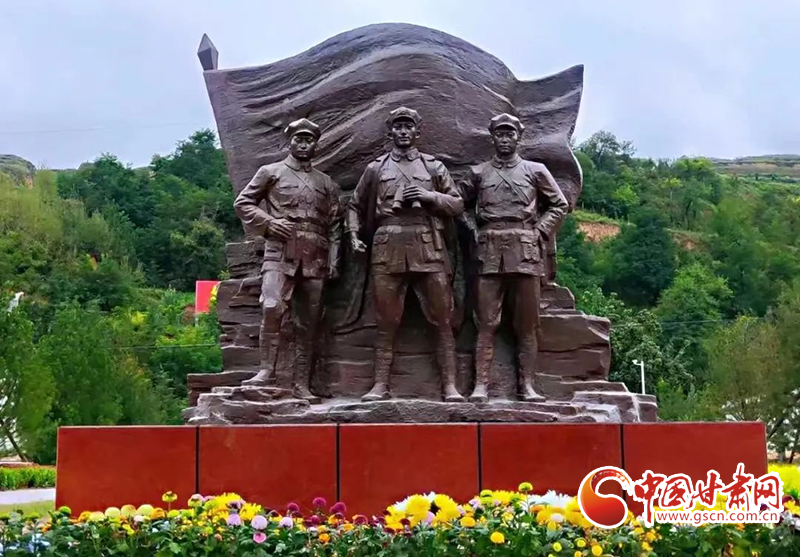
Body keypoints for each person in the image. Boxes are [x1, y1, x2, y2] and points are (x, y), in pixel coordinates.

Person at [347, 107, 465, 402]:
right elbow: (354, 205)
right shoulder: (376, 169)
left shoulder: (433, 167)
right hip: (387, 246)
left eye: (408, 126)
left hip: (428, 245)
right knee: (385, 322)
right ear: (390, 132)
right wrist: (353, 235)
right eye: (398, 126)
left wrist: (429, 196)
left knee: (442, 319)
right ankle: (380, 386)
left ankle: (450, 386)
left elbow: (457, 204)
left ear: (417, 132)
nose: (403, 131)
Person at [461, 113, 568, 402]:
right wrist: (473, 230)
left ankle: (527, 386)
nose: (505, 139)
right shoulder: (479, 173)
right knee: (486, 323)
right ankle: (481, 385)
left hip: (525, 250)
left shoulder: (535, 171)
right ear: (493, 137)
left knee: (527, 324)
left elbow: (559, 204)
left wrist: (540, 231)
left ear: (519, 138)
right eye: (500, 134)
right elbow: (458, 204)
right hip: (489, 250)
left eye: (510, 134)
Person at [233, 118, 341, 401]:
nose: (303, 145)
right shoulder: (271, 172)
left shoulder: (326, 182)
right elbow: (243, 203)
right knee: (272, 306)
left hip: (315, 254)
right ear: (289, 142)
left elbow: (335, 224)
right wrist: (269, 223)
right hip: (280, 249)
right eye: (298, 140)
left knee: (309, 321)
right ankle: (266, 371)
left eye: (309, 140)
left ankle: (302, 383)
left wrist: (334, 258)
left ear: (316, 145)